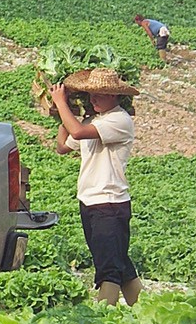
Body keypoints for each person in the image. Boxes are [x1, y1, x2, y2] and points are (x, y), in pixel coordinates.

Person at [50, 67, 142, 306]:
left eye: (100, 94)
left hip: (109, 202)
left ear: (115, 95)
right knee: (119, 263)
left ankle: (104, 317)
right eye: (91, 94)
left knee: (108, 268)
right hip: (90, 200)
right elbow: (62, 146)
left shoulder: (119, 120)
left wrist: (61, 104)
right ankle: (144, 311)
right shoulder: (94, 120)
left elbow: (78, 133)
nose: (94, 99)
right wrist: (67, 112)